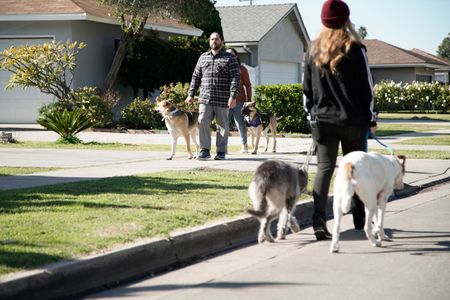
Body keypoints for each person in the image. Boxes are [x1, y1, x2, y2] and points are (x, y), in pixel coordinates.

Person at [302, 0, 377, 241]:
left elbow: (306, 91)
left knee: (324, 168)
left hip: (323, 121)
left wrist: (310, 115)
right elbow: (367, 88)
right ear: (346, 20)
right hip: (353, 121)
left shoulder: (312, 50)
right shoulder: (356, 49)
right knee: (355, 169)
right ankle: (359, 217)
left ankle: (318, 220)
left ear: (323, 21)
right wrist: (371, 117)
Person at [185, 32, 240, 160]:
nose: (214, 41)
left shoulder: (229, 58)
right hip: (205, 98)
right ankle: (205, 150)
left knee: (222, 126)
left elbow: (235, 78)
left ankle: (221, 152)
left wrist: (233, 96)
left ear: (222, 41)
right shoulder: (203, 57)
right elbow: (195, 77)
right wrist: (191, 94)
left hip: (222, 99)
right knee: (202, 121)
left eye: (217, 39)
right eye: (212, 39)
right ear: (209, 41)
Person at [226, 48, 252, 153]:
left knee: (240, 124)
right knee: (224, 124)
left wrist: (249, 100)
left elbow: (248, 85)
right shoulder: (222, 68)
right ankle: (223, 147)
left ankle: (244, 145)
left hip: (239, 101)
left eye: (232, 54)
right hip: (225, 102)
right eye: (227, 54)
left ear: (236, 56)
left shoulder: (242, 69)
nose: (230, 56)